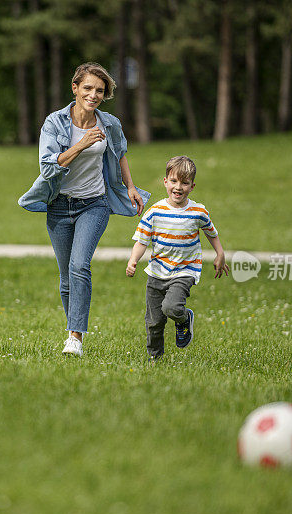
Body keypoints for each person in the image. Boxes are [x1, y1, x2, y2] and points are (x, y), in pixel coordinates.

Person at [19, 62, 150, 357]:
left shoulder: (110, 123)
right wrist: (81, 145)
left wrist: (129, 186)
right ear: (75, 88)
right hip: (59, 205)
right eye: (88, 88)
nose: (93, 95)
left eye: (100, 91)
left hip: (95, 203)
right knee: (66, 274)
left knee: (80, 266)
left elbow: (120, 154)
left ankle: (75, 338)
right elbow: (48, 166)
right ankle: (71, 330)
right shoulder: (54, 123)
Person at [125, 155, 230, 361]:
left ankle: (183, 318)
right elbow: (142, 241)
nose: (178, 187)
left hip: (184, 271)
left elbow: (211, 232)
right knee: (154, 321)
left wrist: (220, 253)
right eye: (174, 181)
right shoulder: (154, 211)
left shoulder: (198, 211)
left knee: (171, 307)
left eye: (184, 183)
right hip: (157, 272)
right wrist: (133, 260)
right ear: (165, 182)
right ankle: (155, 359)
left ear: (192, 186)